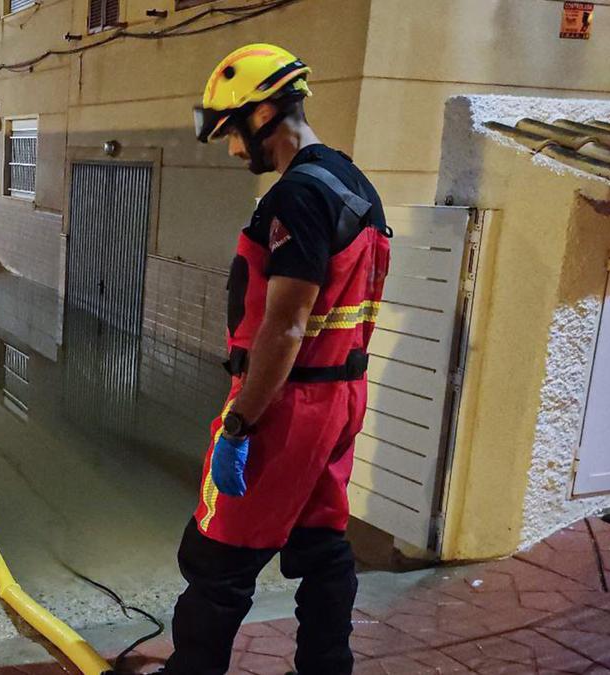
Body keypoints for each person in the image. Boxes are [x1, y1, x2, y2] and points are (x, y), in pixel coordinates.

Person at [160, 43, 392, 674]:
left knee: (217, 562)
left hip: (286, 406)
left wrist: (241, 424)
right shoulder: (351, 181)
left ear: (262, 115)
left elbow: (285, 327)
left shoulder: (296, 197)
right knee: (322, 546)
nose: (235, 150)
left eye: (233, 132)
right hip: (339, 401)